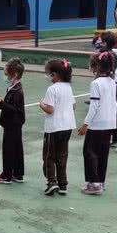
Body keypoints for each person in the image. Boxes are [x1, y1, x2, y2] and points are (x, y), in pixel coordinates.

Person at [78, 52, 117, 195]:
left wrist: (85, 124)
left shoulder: (96, 83)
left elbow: (94, 106)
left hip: (97, 123)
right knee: (103, 153)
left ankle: (93, 184)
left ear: (97, 66)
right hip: (109, 123)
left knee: (90, 153)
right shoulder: (112, 81)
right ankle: (100, 181)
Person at [0, 58, 26, 184]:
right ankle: (18, 174)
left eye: (7, 74)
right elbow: (7, 105)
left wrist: (1, 103)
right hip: (15, 123)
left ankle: (6, 175)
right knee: (17, 148)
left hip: (12, 123)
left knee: (8, 149)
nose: (5, 76)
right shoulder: (13, 88)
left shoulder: (17, 91)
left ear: (15, 75)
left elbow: (13, 109)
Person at [40, 59, 76, 196]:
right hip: (67, 126)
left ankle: (51, 182)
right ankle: (63, 184)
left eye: (49, 74)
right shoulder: (68, 87)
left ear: (54, 75)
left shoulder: (52, 89)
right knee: (62, 155)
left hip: (54, 127)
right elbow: (73, 105)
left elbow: (50, 109)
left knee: (49, 156)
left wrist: (41, 104)